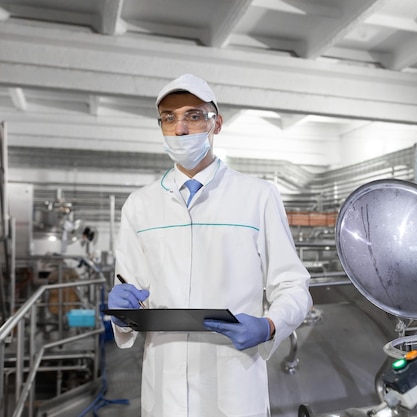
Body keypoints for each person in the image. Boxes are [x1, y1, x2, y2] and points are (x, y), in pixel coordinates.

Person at [107, 73, 313, 417]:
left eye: (194, 115)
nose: (181, 129)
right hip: (164, 391)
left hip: (234, 386)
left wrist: (270, 325)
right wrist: (123, 313)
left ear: (216, 124)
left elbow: (293, 286)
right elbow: (130, 293)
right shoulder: (139, 205)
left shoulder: (257, 197)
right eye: (169, 118)